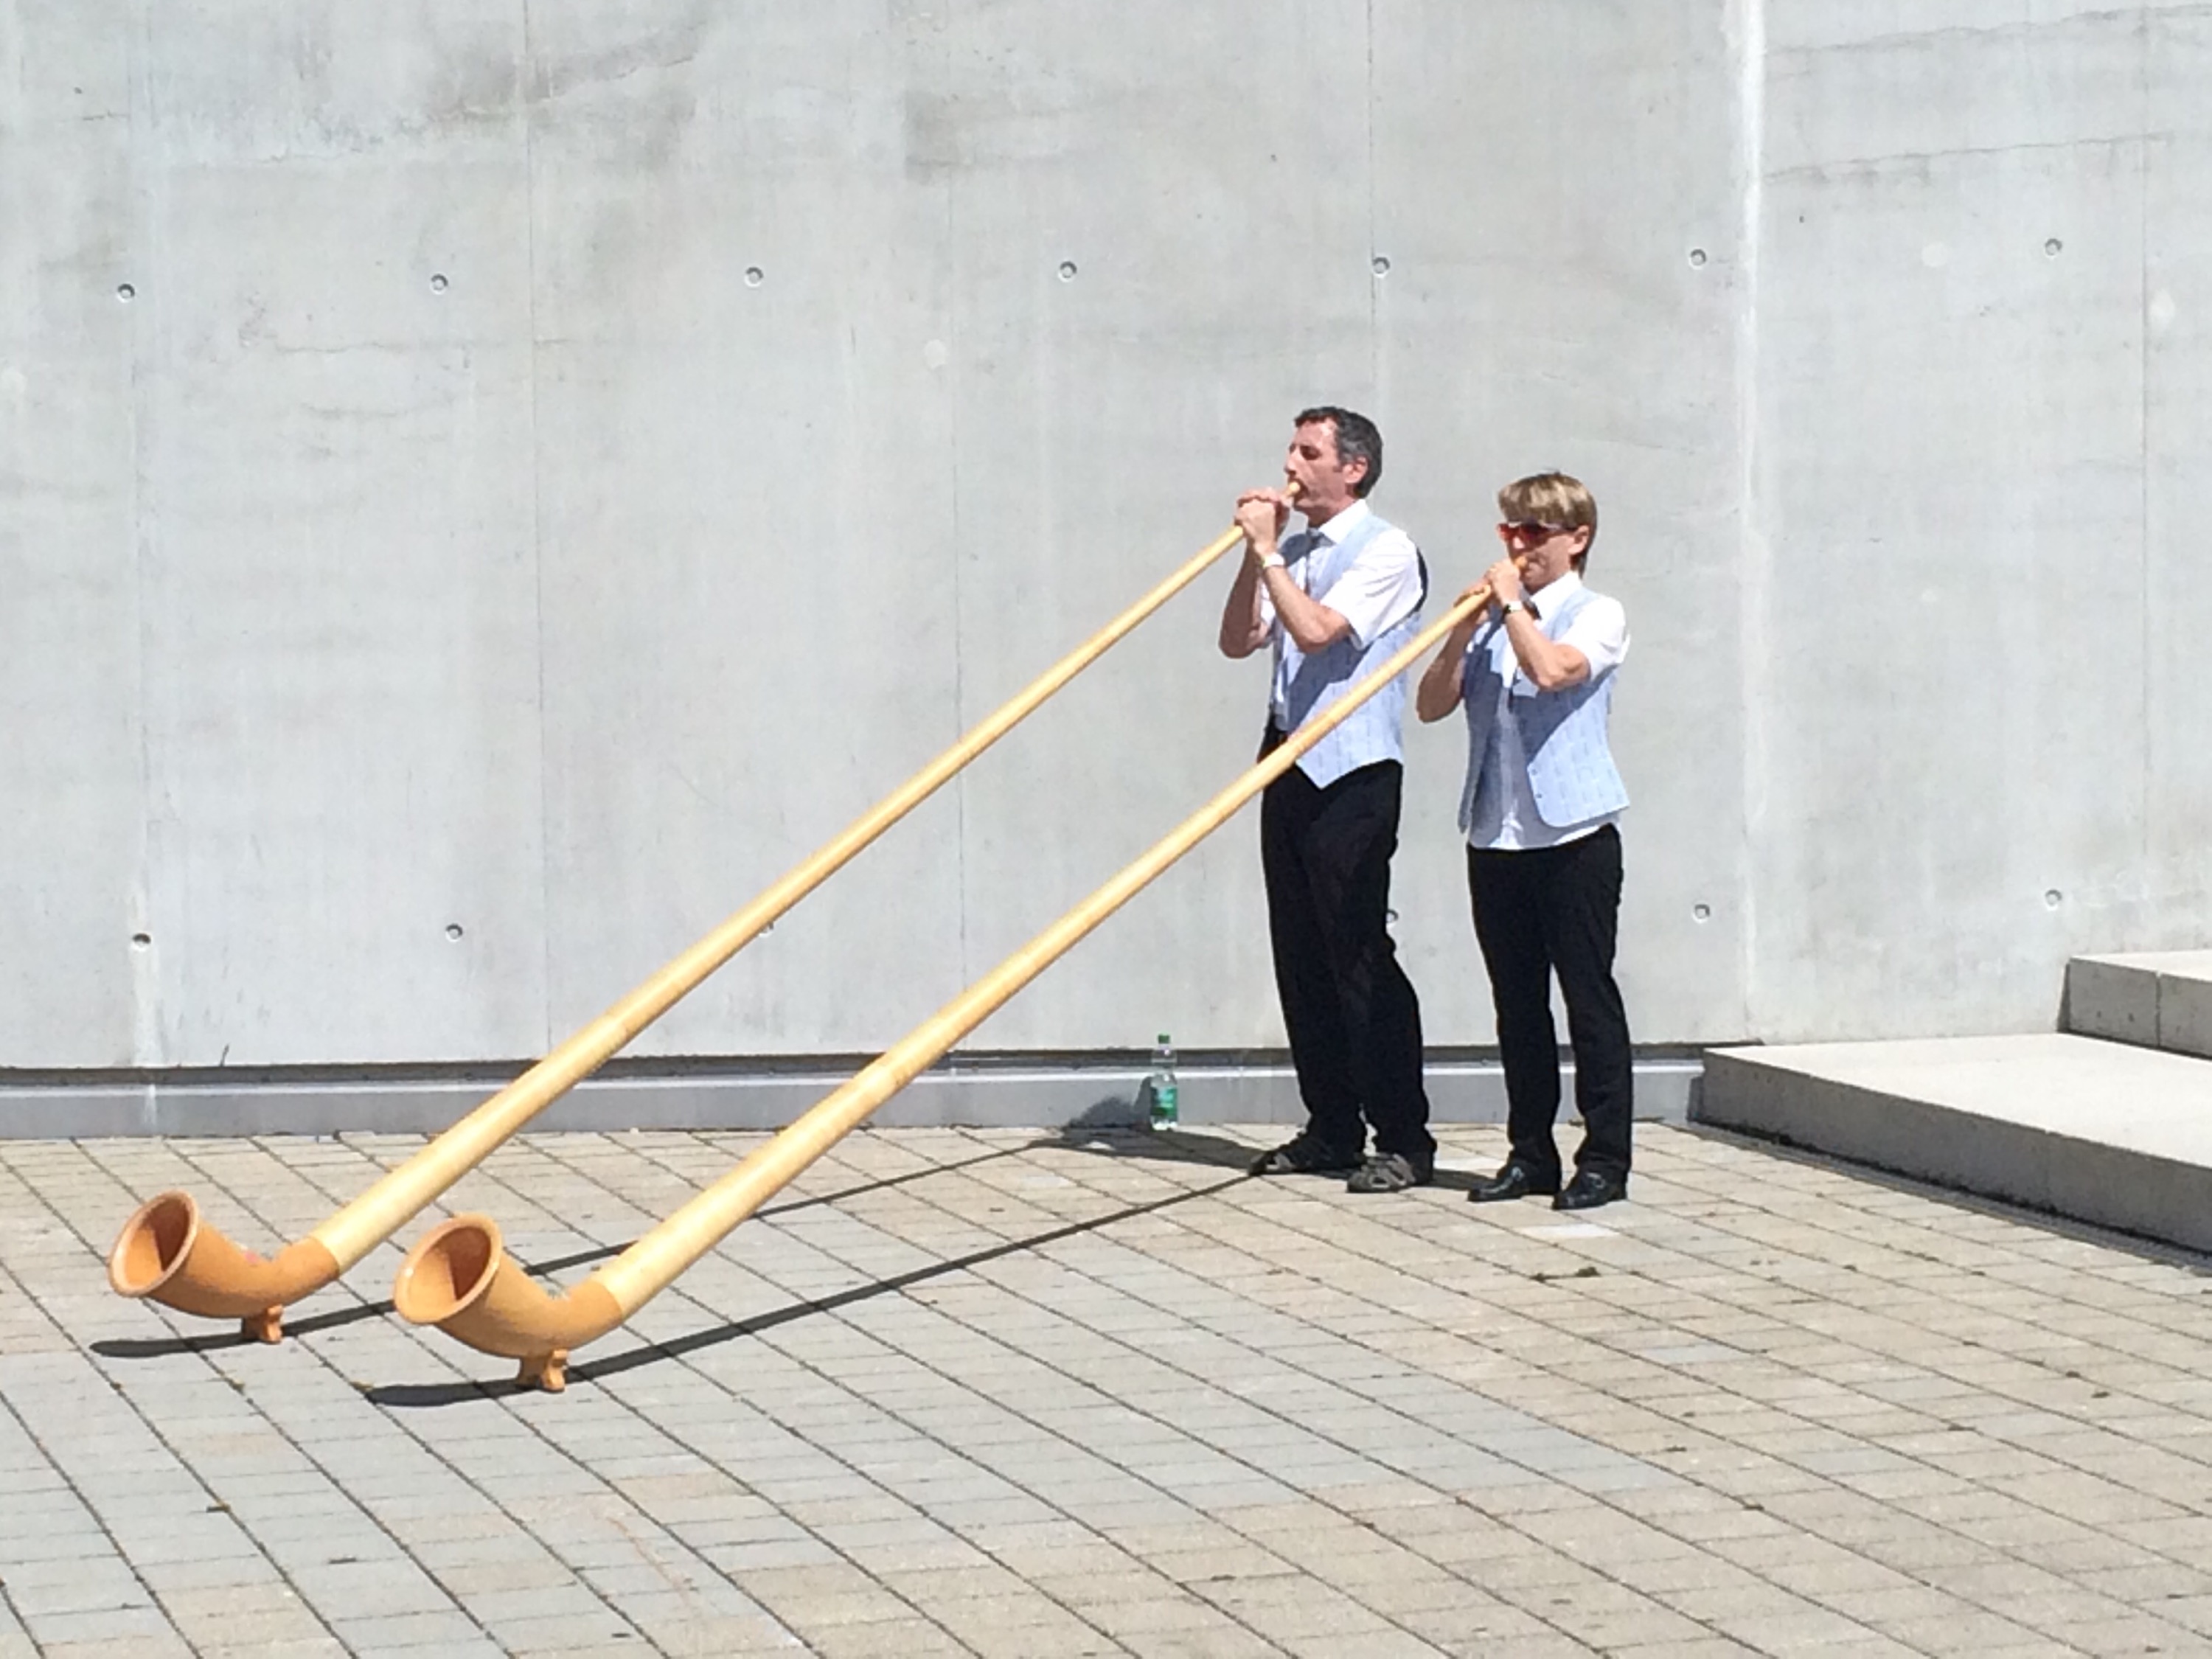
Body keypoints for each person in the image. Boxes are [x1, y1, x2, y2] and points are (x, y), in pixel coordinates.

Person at [1219, 407, 1436, 1194]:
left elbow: (1317, 632)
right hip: (1285, 761)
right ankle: (1332, 1125)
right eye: (1290, 449)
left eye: (1307, 452)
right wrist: (1255, 560)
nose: (1290, 464)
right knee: (1300, 952)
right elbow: (1239, 641)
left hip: (1353, 770)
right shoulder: (1294, 551)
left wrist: (1268, 552)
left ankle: (1404, 1136)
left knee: (1357, 952)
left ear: (1353, 469)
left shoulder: (1387, 550)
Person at [1415, 471, 1633, 1211]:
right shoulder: (1494, 623)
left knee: (1588, 999)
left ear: (1578, 539)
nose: (1519, 546)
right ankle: (1530, 1152)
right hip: (1496, 834)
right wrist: (1459, 632)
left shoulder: (1596, 613)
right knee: (1517, 1004)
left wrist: (1512, 606)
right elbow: (1431, 705)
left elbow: (1555, 671)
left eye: (1535, 532)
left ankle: (1604, 1159)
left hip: (1573, 835)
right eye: (1510, 530)